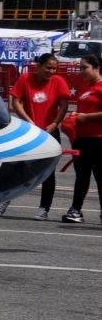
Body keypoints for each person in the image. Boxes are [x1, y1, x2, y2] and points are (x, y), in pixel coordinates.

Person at [0, 52, 70, 219]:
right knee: (18, 166)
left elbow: (64, 105)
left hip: (50, 131)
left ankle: (44, 208)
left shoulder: (58, 81)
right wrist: (29, 120)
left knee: (48, 172)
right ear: (39, 66)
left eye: (54, 68)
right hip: (29, 130)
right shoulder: (26, 79)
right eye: (48, 67)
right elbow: (15, 101)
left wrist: (54, 124)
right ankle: (5, 198)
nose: (51, 71)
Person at [61, 54, 102, 224]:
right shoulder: (86, 88)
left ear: (96, 67)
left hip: (99, 139)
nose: (81, 71)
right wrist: (75, 117)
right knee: (81, 177)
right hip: (82, 139)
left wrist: (86, 118)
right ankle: (76, 210)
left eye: (84, 67)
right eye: (80, 67)